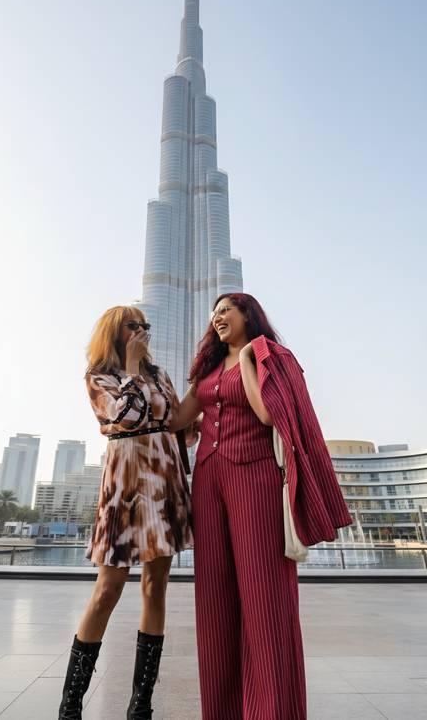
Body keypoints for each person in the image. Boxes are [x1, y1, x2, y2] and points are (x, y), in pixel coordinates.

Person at [169, 292, 352, 720]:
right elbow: (177, 418)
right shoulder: (209, 369)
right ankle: (223, 710)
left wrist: (249, 358)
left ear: (248, 314)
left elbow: (267, 414)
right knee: (214, 599)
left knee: (265, 597)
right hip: (209, 481)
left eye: (225, 310)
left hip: (256, 480)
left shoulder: (269, 356)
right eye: (214, 313)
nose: (217, 317)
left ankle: (274, 710)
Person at [58, 305, 194, 720]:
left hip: (164, 481)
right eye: (133, 326)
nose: (142, 332)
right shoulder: (98, 376)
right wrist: (133, 368)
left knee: (156, 586)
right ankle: (70, 704)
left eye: (144, 326)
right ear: (114, 332)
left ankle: (141, 703)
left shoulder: (160, 375)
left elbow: (178, 426)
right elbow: (126, 417)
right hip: (125, 485)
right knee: (108, 589)